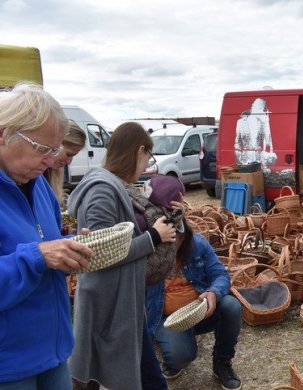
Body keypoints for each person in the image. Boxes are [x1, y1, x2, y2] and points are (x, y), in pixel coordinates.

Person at [67, 122, 177, 390]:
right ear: (140, 150)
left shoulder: (114, 185)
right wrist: (152, 237)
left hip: (122, 299)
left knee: (142, 374)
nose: (146, 164)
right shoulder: (102, 189)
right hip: (108, 302)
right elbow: (100, 252)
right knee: (119, 376)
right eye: (148, 157)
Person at [0, 82, 93, 389]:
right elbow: (38, 254)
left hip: (52, 351)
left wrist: (69, 250)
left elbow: (48, 241)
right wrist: (38, 256)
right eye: (42, 149)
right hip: (10, 365)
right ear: (3, 134)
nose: (52, 161)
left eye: (55, 150)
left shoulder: (38, 186)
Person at [146, 217, 242, 390]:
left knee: (231, 306)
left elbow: (220, 275)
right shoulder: (147, 255)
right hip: (167, 319)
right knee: (180, 356)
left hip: (201, 311)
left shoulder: (197, 244)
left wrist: (213, 292)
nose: (173, 248)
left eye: (178, 242)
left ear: (185, 237)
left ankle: (222, 362)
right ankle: (174, 359)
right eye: (167, 243)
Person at [44, 120, 86, 204]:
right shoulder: (35, 175)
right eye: (68, 154)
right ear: (56, 145)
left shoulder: (49, 174)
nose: (69, 162)